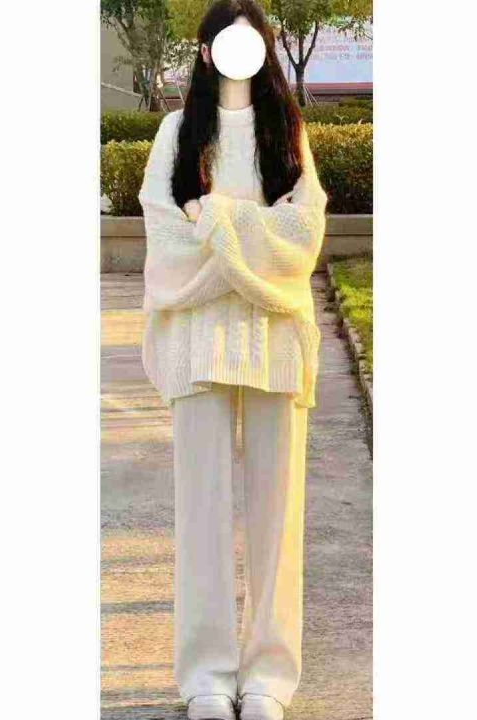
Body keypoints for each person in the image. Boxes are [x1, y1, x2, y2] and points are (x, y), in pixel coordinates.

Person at [138, 1, 328, 718]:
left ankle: (270, 677)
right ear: (207, 51)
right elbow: (166, 237)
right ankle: (206, 676)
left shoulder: (288, 132)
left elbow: (301, 235)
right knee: (202, 509)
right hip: (199, 336)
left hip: (275, 333)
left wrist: (216, 219)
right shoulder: (175, 134)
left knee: (278, 512)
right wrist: (250, 240)